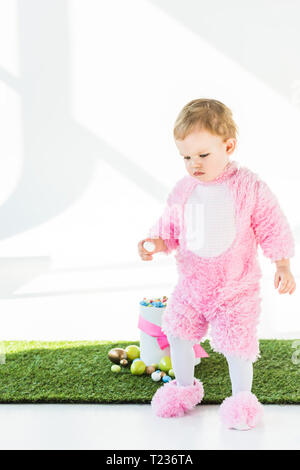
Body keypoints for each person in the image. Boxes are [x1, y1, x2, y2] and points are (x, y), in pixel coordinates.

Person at [137, 98, 296, 430]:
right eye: (186, 157)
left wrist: (282, 264)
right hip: (192, 285)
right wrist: (157, 242)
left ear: (228, 146)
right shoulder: (184, 190)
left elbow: (271, 223)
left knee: (237, 345)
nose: (194, 163)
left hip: (234, 287)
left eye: (203, 155)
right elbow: (171, 227)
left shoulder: (248, 186)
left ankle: (241, 401)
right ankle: (183, 389)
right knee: (177, 333)